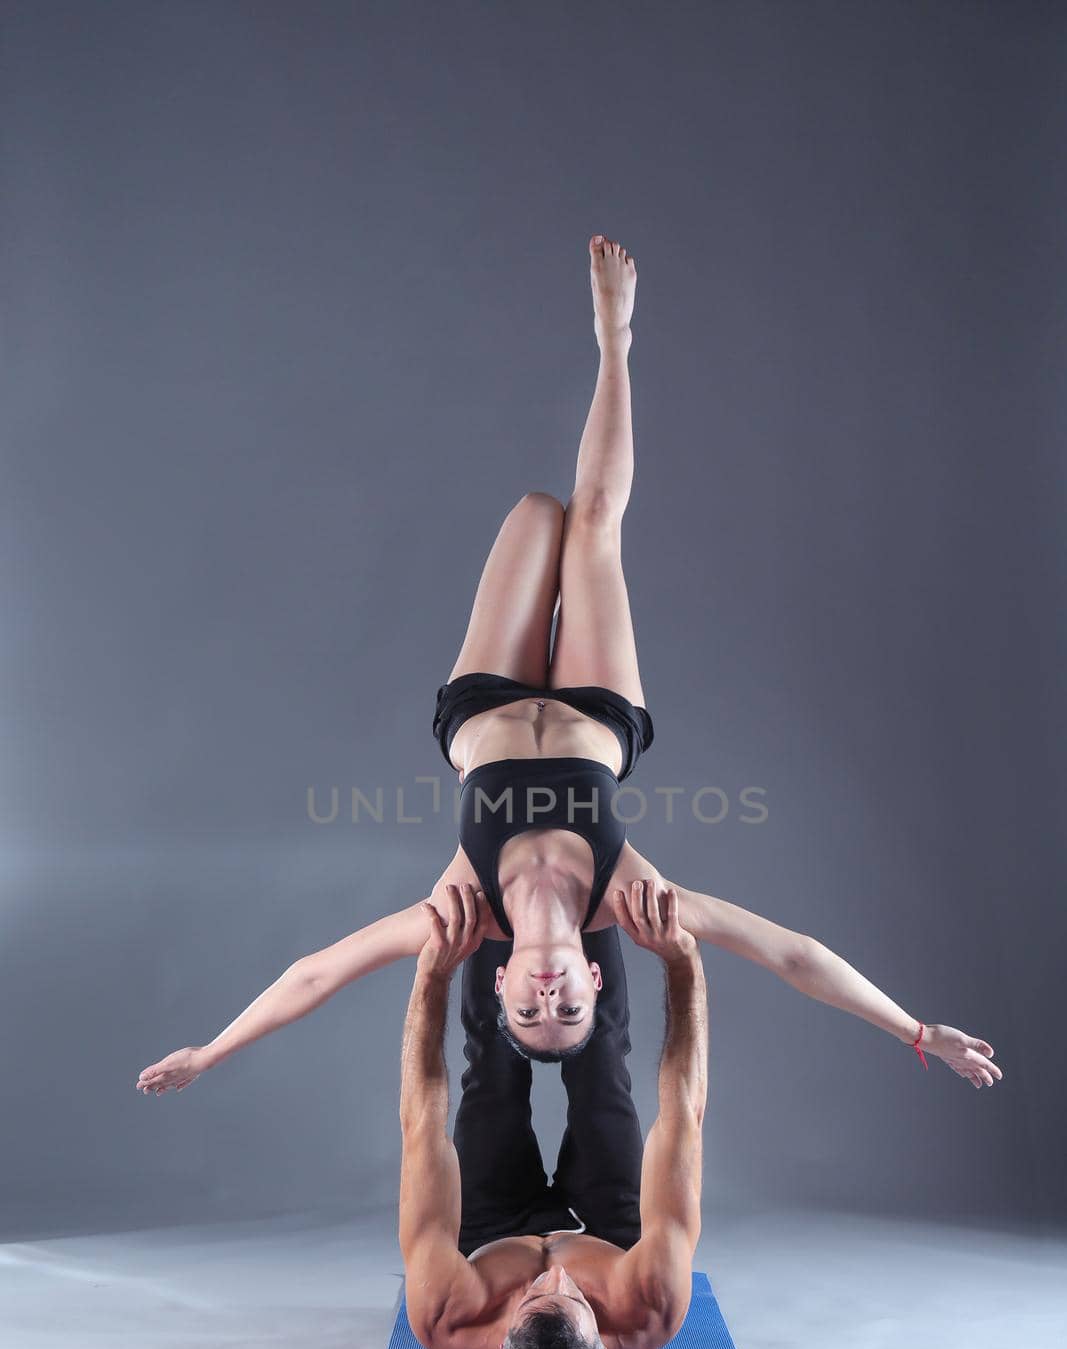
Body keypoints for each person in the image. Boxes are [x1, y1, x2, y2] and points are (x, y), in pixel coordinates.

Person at [136, 235, 1002, 1096]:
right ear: (594, 980)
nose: (546, 1001)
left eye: (526, 1013)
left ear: (500, 984)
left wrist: (209, 1053)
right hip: (599, 711)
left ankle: (601, 375)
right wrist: (918, 1032)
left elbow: (314, 972)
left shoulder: (456, 915)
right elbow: (793, 955)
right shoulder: (631, 903)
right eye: (566, 1013)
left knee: (533, 511)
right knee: (588, 522)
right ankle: (615, 340)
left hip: (480, 708)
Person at [399, 876, 707, 1349]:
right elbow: (683, 1113)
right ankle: (580, 894)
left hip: (491, 1233)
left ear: (502, 1346)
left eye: (536, 1297)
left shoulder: (448, 1315)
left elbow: (422, 1122)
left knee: (492, 1070)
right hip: (611, 1231)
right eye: (577, 1301)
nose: (557, 1277)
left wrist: (434, 972)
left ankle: (502, 887)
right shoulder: (650, 1304)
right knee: (602, 1067)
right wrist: (681, 964)